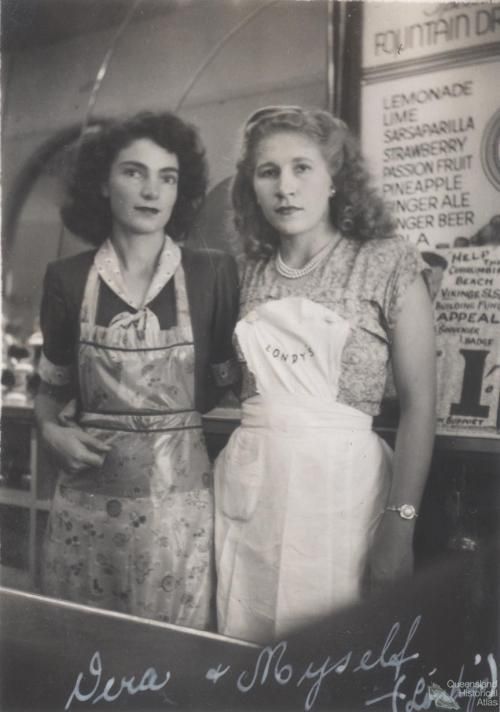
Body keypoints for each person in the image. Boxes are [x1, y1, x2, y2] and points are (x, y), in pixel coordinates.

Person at [215, 106, 436, 643]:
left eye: (302, 168)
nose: (285, 188)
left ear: (336, 178)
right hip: (250, 492)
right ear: (252, 186)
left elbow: (420, 405)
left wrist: (399, 526)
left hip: (345, 496)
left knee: (334, 659)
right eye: (268, 172)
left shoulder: (387, 262)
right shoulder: (241, 273)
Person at [35, 111, 239, 629]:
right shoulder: (65, 279)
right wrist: (50, 432)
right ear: (103, 184)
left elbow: (221, 386)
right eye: (134, 173)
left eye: (166, 177)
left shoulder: (213, 274)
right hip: (85, 506)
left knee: (166, 668)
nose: (152, 191)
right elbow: (49, 392)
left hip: (180, 514)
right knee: (80, 661)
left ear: (180, 189)